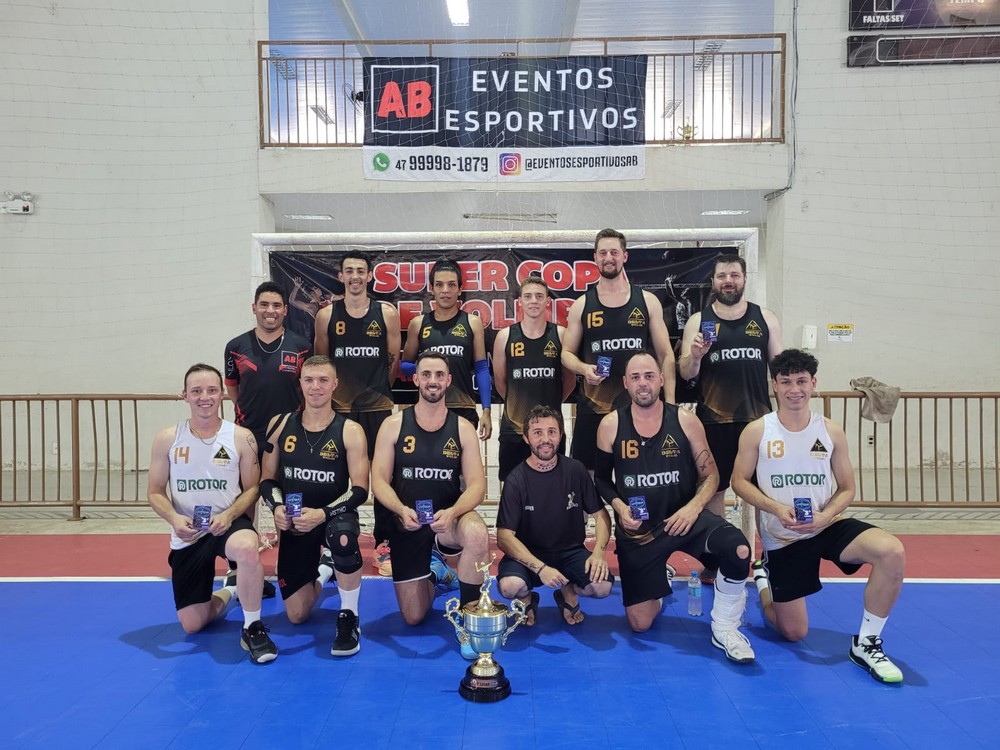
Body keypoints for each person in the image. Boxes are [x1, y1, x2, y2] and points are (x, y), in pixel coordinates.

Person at [731, 349, 906, 684]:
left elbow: (847, 488)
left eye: (801, 381)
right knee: (793, 632)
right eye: (786, 382)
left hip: (827, 525)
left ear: (814, 384)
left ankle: (867, 643)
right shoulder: (757, 431)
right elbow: (738, 481)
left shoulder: (830, 431)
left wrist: (827, 516)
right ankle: (764, 580)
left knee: (891, 551)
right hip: (783, 536)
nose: (794, 389)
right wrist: (775, 508)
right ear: (775, 386)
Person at [594, 352, 755, 664]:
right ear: (626, 383)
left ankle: (725, 627)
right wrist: (618, 506)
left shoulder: (685, 420)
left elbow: (711, 475)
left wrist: (693, 509)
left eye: (649, 376)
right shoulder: (610, 425)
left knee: (739, 551)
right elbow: (601, 480)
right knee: (640, 624)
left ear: (661, 379)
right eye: (636, 377)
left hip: (684, 520)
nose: (643, 383)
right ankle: (660, 581)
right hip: (639, 532)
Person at [146, 364, 278, 664]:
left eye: (211, 390)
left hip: (226, 525)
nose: (204, 397)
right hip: (188, 533)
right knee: (193, 624)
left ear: (222, 395)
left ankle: (253, 626)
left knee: (246, 548)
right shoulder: (168, 438)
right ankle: (232, 589)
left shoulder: (241, 438)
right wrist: (174, 519)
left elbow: (252, 489)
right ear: (185, 396)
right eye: (196, 391)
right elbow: (154, 491)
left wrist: (231, 515)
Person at [370, 351, 490, 659]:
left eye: (439, 375)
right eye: (426, 375)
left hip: (446, 523)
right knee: (414, 617)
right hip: (409, 522)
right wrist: (399, 509)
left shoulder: (462, 428)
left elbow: (478, 484)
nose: (433, 381)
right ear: (415, 379)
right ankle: (437, 574)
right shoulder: (394, 425)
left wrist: (454, 512)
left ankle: (467, 617)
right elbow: (379, 480)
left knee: (477, 534)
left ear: (449, 381)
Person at [260, 356, 370, 657]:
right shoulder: (280, 425)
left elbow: (360, 490)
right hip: (296, 521)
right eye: (309, 380)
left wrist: (323, 513)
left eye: (323, 380)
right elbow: (266, 481)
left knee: (343, 538)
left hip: (333, 515)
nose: (316, 387)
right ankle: (325, 569)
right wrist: (277, 508)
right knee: (296, 616)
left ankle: (349, 616)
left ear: (335, 384)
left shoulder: (350, 430)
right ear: (300, 384)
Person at [678, 254, 783, 527]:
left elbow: (781, 372)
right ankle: (718, 557)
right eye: (722, 276)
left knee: (764, 493)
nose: (728, 282)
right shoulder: (698, 321)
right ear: (712, 281)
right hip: (713, 422)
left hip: (758, 421)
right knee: (713, 490)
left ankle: (769, 559)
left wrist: (786, 418)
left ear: (744, 279)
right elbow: (686, 372)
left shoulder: (765, 319)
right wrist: (696, 355)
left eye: (734, 276)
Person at [315, 250, 401, 575]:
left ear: (369, 276)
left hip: (377, 406)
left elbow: (391, 362)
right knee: (336, 476)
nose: (354, 276)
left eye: (360, 271)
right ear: (341, 276)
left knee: (382, 475)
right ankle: (331, 540)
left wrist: (375, 390)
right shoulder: (326, 316)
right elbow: (322, 366)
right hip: (338, 410)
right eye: (348, 271)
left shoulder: (387, 313)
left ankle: (384, 542)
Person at [224, 281, 313, 597]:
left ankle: (287, 569)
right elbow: (233, 388)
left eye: (277, 305)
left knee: (285, 503)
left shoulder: (301, 345)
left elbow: (308, 387)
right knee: (246, 501)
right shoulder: (236, 346)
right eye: (264, 305)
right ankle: (240, 571)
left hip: (289, 435)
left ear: (285, 310)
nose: (270, 311)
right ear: (254, 308)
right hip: (248, 436)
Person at [562, 228, 675, 472]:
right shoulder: (582, 304)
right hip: (593, 407)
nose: (608, 257)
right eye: (602, 252)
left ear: (625, 256)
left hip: (637, 407)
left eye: (614, 252)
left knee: (637, 475)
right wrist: (583, 368)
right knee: (586, 478)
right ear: (595, 258)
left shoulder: (647, 301)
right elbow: (566, 354)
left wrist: (672, 406)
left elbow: (666, 355)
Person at [496, 405, 613, 626]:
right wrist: (540, 568)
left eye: (552, 431)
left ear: (561, 435)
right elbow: (504, 536)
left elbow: (601, 515)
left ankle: (567, 592)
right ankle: (527, 598)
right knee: (510, 586)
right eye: (538, 432)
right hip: (529, 554)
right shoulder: (516, 479)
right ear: (526, 438)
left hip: (570, 551)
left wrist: (598, 552)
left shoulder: (576, 470)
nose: (545, 439)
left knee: (602, 587)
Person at [492, 275, 576, 482]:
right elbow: (501, 382)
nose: (534, 301)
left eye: (539, 296)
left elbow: (570, 381)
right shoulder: (505, 336)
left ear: (548, 301)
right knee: (513, 487)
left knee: (552, 487)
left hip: (551, 431)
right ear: (520, 301)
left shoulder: (561, 334)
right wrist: (517, 404)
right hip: (513, 427)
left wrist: (551, 406)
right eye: (528, 296)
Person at [401, 258, 492, 441]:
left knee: (462, 467)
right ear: (431, 288)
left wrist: (486, 411)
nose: (445, 290)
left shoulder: (472, 323)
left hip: (462, 406)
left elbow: (482, 369)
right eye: (439, 285)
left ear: (459, 290)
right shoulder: (418, 324)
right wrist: (428, 370)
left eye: (451, 285)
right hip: (428, 406)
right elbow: (404, 366)